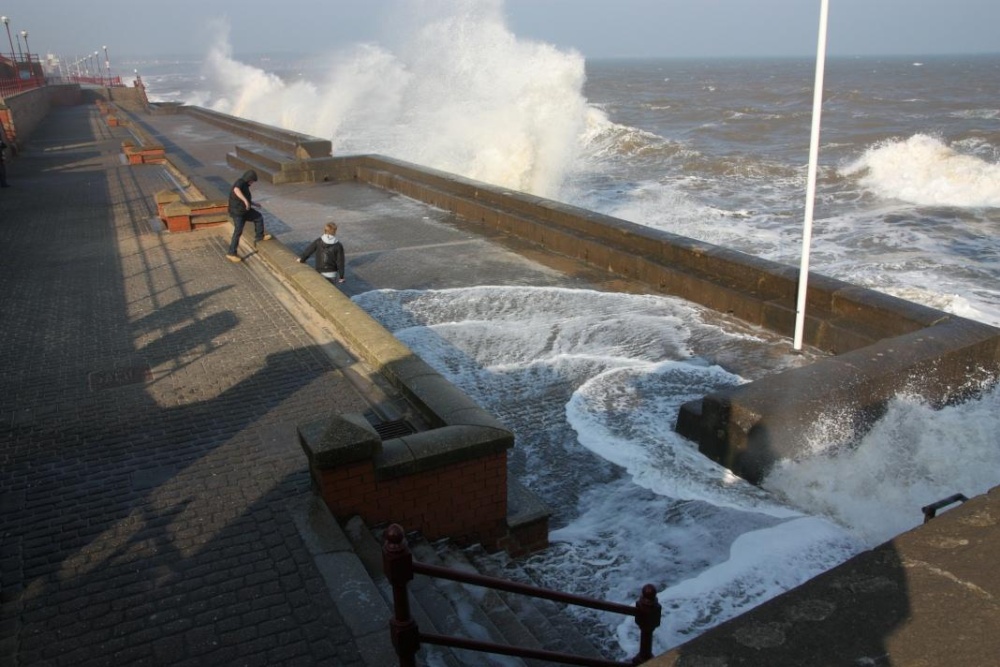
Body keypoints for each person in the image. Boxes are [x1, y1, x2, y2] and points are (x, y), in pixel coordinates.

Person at [225, 169, 271, 262]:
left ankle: (259, 236)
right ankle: (231, 253)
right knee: (238, 232)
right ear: (248, 178)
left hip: (245, 211)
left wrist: (253, 203)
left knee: (258, 217)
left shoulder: (245, 185)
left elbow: (245, 196)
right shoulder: (240, 182)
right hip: (238, 213)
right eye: (252, 181)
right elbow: (236, 190)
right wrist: (246, 201)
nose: (252, 183)